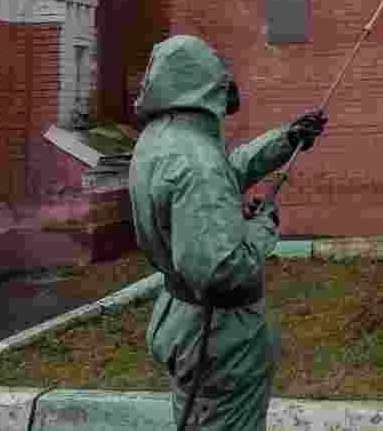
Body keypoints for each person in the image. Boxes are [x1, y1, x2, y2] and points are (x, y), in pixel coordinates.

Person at [128, 34, 328, 431]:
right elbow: (224, 272)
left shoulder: (161, 141)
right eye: (220, 82)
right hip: (217, 336)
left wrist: (284, 141)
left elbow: (225, 174)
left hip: (185, 318)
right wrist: (262, 227)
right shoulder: (196, 161)